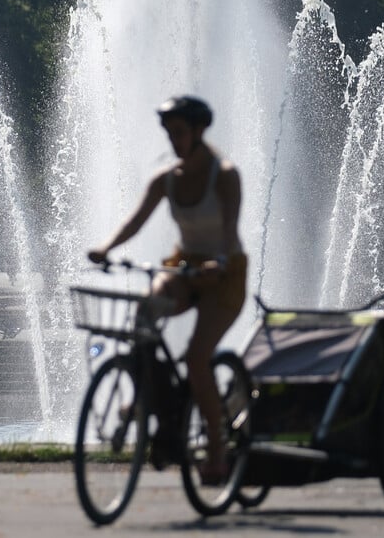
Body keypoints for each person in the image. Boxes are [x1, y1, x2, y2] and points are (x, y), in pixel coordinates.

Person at [88, 95, 248, 484]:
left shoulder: (224, 175)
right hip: (188, 264)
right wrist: (106, 247)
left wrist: (220, 263)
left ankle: (216, 449)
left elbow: (229, 233)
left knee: (196, 359)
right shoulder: (166, 180)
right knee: (146, 310)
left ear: (197, 132)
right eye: (169, 132)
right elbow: (135, 221)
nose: (173, 140)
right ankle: (148, 398)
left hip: (224, 274)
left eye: (179, 132)